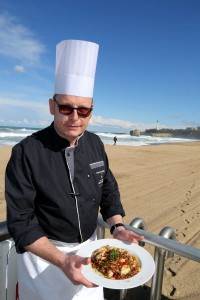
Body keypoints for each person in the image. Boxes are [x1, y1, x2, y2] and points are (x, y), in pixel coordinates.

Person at [5, 40, 143, 300]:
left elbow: (108, 191)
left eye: (84, 110)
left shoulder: (95, 143)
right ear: (51, 106)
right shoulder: (25, 152)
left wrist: (117, 227)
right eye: (66, 107)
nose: (75, 117)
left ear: (91, 112)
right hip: (44, 260)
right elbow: (20, 223)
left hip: (90, 255)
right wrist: (62, 260)